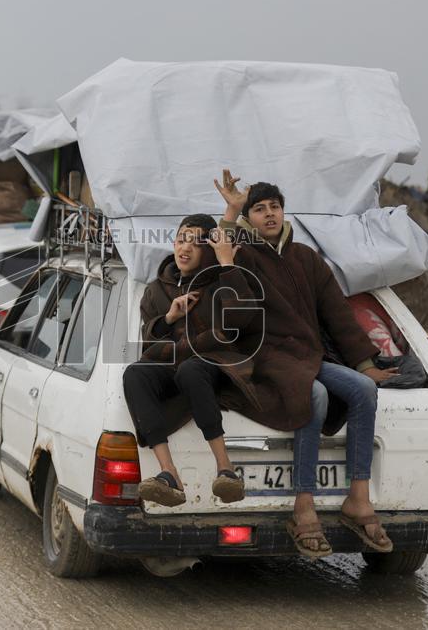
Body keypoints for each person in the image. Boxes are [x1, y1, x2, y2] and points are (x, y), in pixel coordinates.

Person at [214, 170, 397, 559]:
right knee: (312, 394)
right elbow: (221, 250)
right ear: (250, 218)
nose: (269, 215)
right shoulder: (244, 256)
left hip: (310, 357)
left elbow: (337, 313)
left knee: (363, 389)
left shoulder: (306, 258)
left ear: (283, 212)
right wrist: (230, 212)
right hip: (268, 360)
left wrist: (364, 365)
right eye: (259, 209)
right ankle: (303, 502)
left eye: (275, 207)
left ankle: (358, 498)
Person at [123, 214, 258, 507]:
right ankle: (168, 475)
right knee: (136, 373)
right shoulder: (156, 290)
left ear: (208, 249)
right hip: (175, 364)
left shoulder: (222, 277)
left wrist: (227, 265)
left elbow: (242, 320)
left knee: (191, 369)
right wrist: (169, 318)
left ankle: (226, 470)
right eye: (181, 240)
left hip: (219, 365)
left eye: (195, 244)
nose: (185, 248)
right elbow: (149, 342)